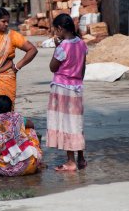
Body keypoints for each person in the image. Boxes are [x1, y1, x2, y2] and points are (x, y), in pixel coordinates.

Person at [46, 13, 88, 171]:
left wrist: (57, 47)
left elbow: (52, 67)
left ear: (60, 28)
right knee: (76, 123)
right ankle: (81, 158)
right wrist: (78, 81)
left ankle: (70, 162)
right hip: (77, 87)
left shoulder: (63, 47)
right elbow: (83, 68)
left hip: (62, 88)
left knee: (66, 124)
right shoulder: (82, 44)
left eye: (56, 30)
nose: (56, 33)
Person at [0, 95, 42, 176]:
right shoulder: (17, 117)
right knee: (30, 131)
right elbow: (31, 124)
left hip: (8, 167)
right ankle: (35, 157)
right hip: (31, 163)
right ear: (11, 108)